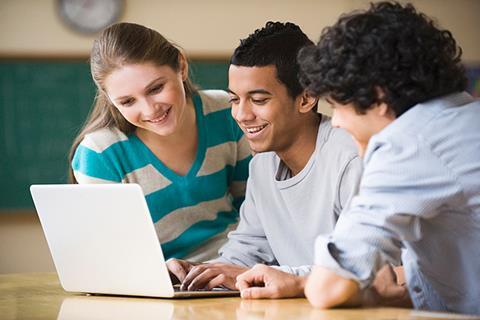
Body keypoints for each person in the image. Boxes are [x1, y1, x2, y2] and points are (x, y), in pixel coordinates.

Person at [237, 1, 480, 315]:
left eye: (338, 105)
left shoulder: (408, 144)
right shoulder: (461, 117)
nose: (335, 121)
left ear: (378, 98)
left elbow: (328, 289)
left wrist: (309, 282)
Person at [167, 21, 363, 295]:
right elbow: (246, 252)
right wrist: (197, 273)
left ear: (307, 99)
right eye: (235, 100)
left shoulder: (350, 158)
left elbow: (363, 267)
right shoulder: (263, 164)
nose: (241, 115)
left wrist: (266, 275)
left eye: (258, 100)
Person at [68, 22, 251, 262]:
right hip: (151, 280)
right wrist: (159, 272)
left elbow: (252, 211)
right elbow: (109, 254)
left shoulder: (225, 111)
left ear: (181, 66)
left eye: (156, 88)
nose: (150, 110)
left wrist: (239, 263)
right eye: (127, 102)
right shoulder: (100, 153)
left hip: (232, 263)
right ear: (110, 99)